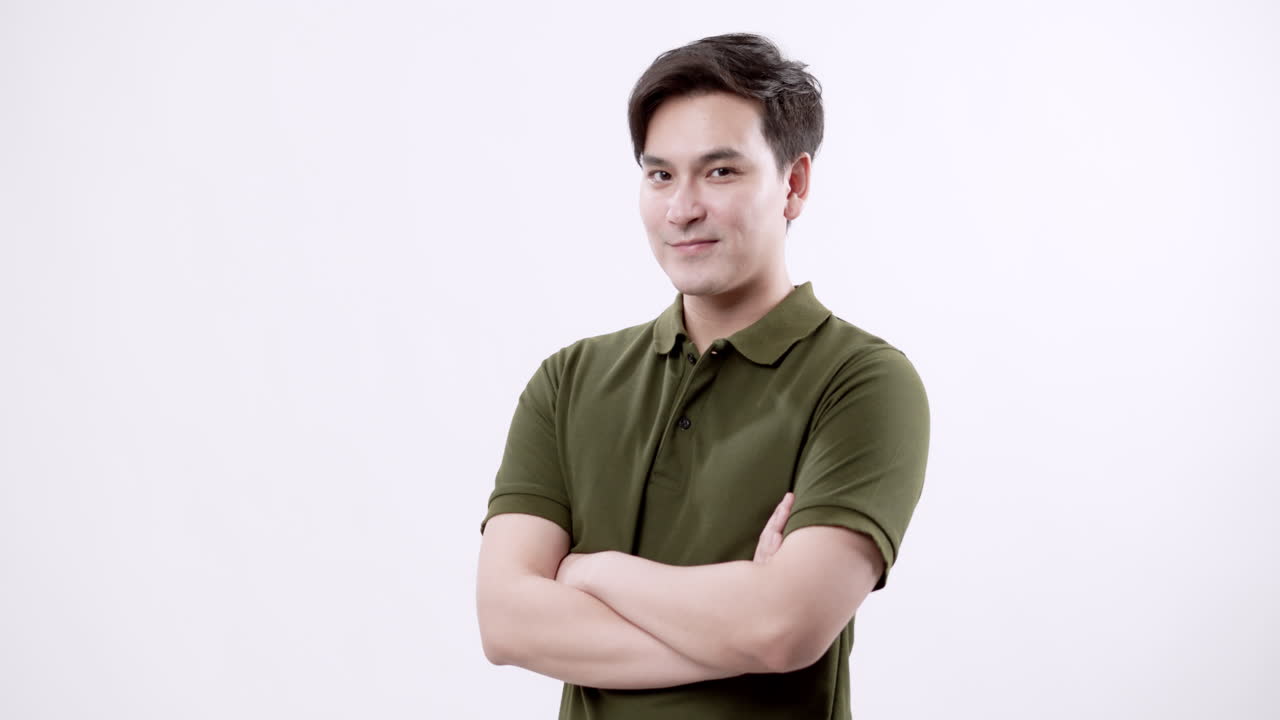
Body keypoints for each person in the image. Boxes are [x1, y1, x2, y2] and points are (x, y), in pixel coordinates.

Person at [475, 32, 930, 719]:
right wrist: (739, 621)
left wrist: (592, 573)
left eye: (720, 172)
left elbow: (784, 628)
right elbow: (506, 623)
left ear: (794, 184)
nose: (682, 208)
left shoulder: (864, 383)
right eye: (660, 175)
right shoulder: (569, 381)